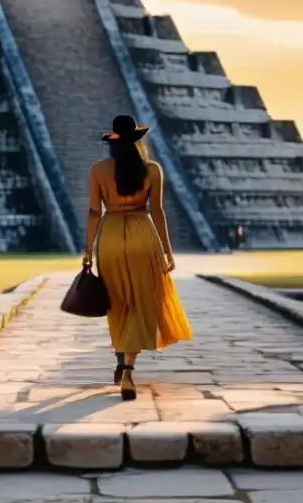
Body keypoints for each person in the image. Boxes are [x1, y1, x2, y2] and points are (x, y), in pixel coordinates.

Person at [82, 114, 193, 401]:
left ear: (113, 143)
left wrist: (87, 252)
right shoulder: (152, 170)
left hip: (110, 239)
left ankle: (122, 359)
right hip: (144, 237)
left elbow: (95, 212)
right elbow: (157, 211)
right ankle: (127, 368)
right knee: (142, 303)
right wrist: (168, 251)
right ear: (137, 140)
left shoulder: (98, 170)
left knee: (118, 304)